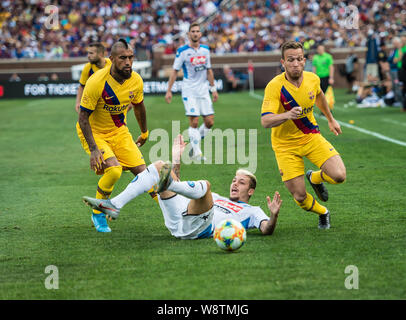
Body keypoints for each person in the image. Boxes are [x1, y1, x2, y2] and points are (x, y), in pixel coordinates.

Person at [82, 134, 282, 238]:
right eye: (234, 180)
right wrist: (177, 157)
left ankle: (164, 184)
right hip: (177, 221)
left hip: (199, 229)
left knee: (205, 186)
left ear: (251, 191)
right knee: (161, 166)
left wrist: (273, 215)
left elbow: (266, 230)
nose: (234, 184)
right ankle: (114, 204)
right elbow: (179, 184)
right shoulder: (217, 198)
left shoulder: (253, 211)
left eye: (241, 182)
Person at [261, 41, 346, 230]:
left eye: (299, 59)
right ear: (283, 62)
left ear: (304, 60)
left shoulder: (312, 79)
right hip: (285, 146)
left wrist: (331, 120)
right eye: (291, 60)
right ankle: (323, 212)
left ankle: (315, 178)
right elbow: (265, 121)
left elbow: (320, 96)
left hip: (310, 136)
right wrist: (287, 115)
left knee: (339, 175)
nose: (296, 64)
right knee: (299, 196)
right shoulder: (275, 86)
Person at [77, 39, 155, 233]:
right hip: (95, 133)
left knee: (146, 177)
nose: (128, 62)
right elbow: (83, 116)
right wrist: (94, 149)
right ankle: (98, 213)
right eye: (122, 58)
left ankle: (178, 212)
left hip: (119, 131)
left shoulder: (136, 79)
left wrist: (144, 132)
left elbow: (139, 106)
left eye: (130, 58)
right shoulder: (96, 82)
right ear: (112, 59)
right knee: (114, 170)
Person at [165, 22, 219, 161]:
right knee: (194, 121)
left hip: (203, 90)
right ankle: (197, 153)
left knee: (209, 122)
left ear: (200, 34)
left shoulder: (206, 50)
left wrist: (213, 89)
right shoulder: (182, 51)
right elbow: (175, 71)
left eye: (197, 31)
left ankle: (193, 145)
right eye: (193, 31)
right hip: (189, 90)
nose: (195, 33)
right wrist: (169, 90)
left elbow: (209, 70)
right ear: (189, 34)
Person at [75, 42, 112, 113]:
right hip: (94, 104)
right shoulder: (87, 67)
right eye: (88, 53)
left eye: (91, 53)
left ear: (101, 54)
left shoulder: (112, 65)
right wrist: (78, 102)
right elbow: (82, 86)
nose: (88, 56)